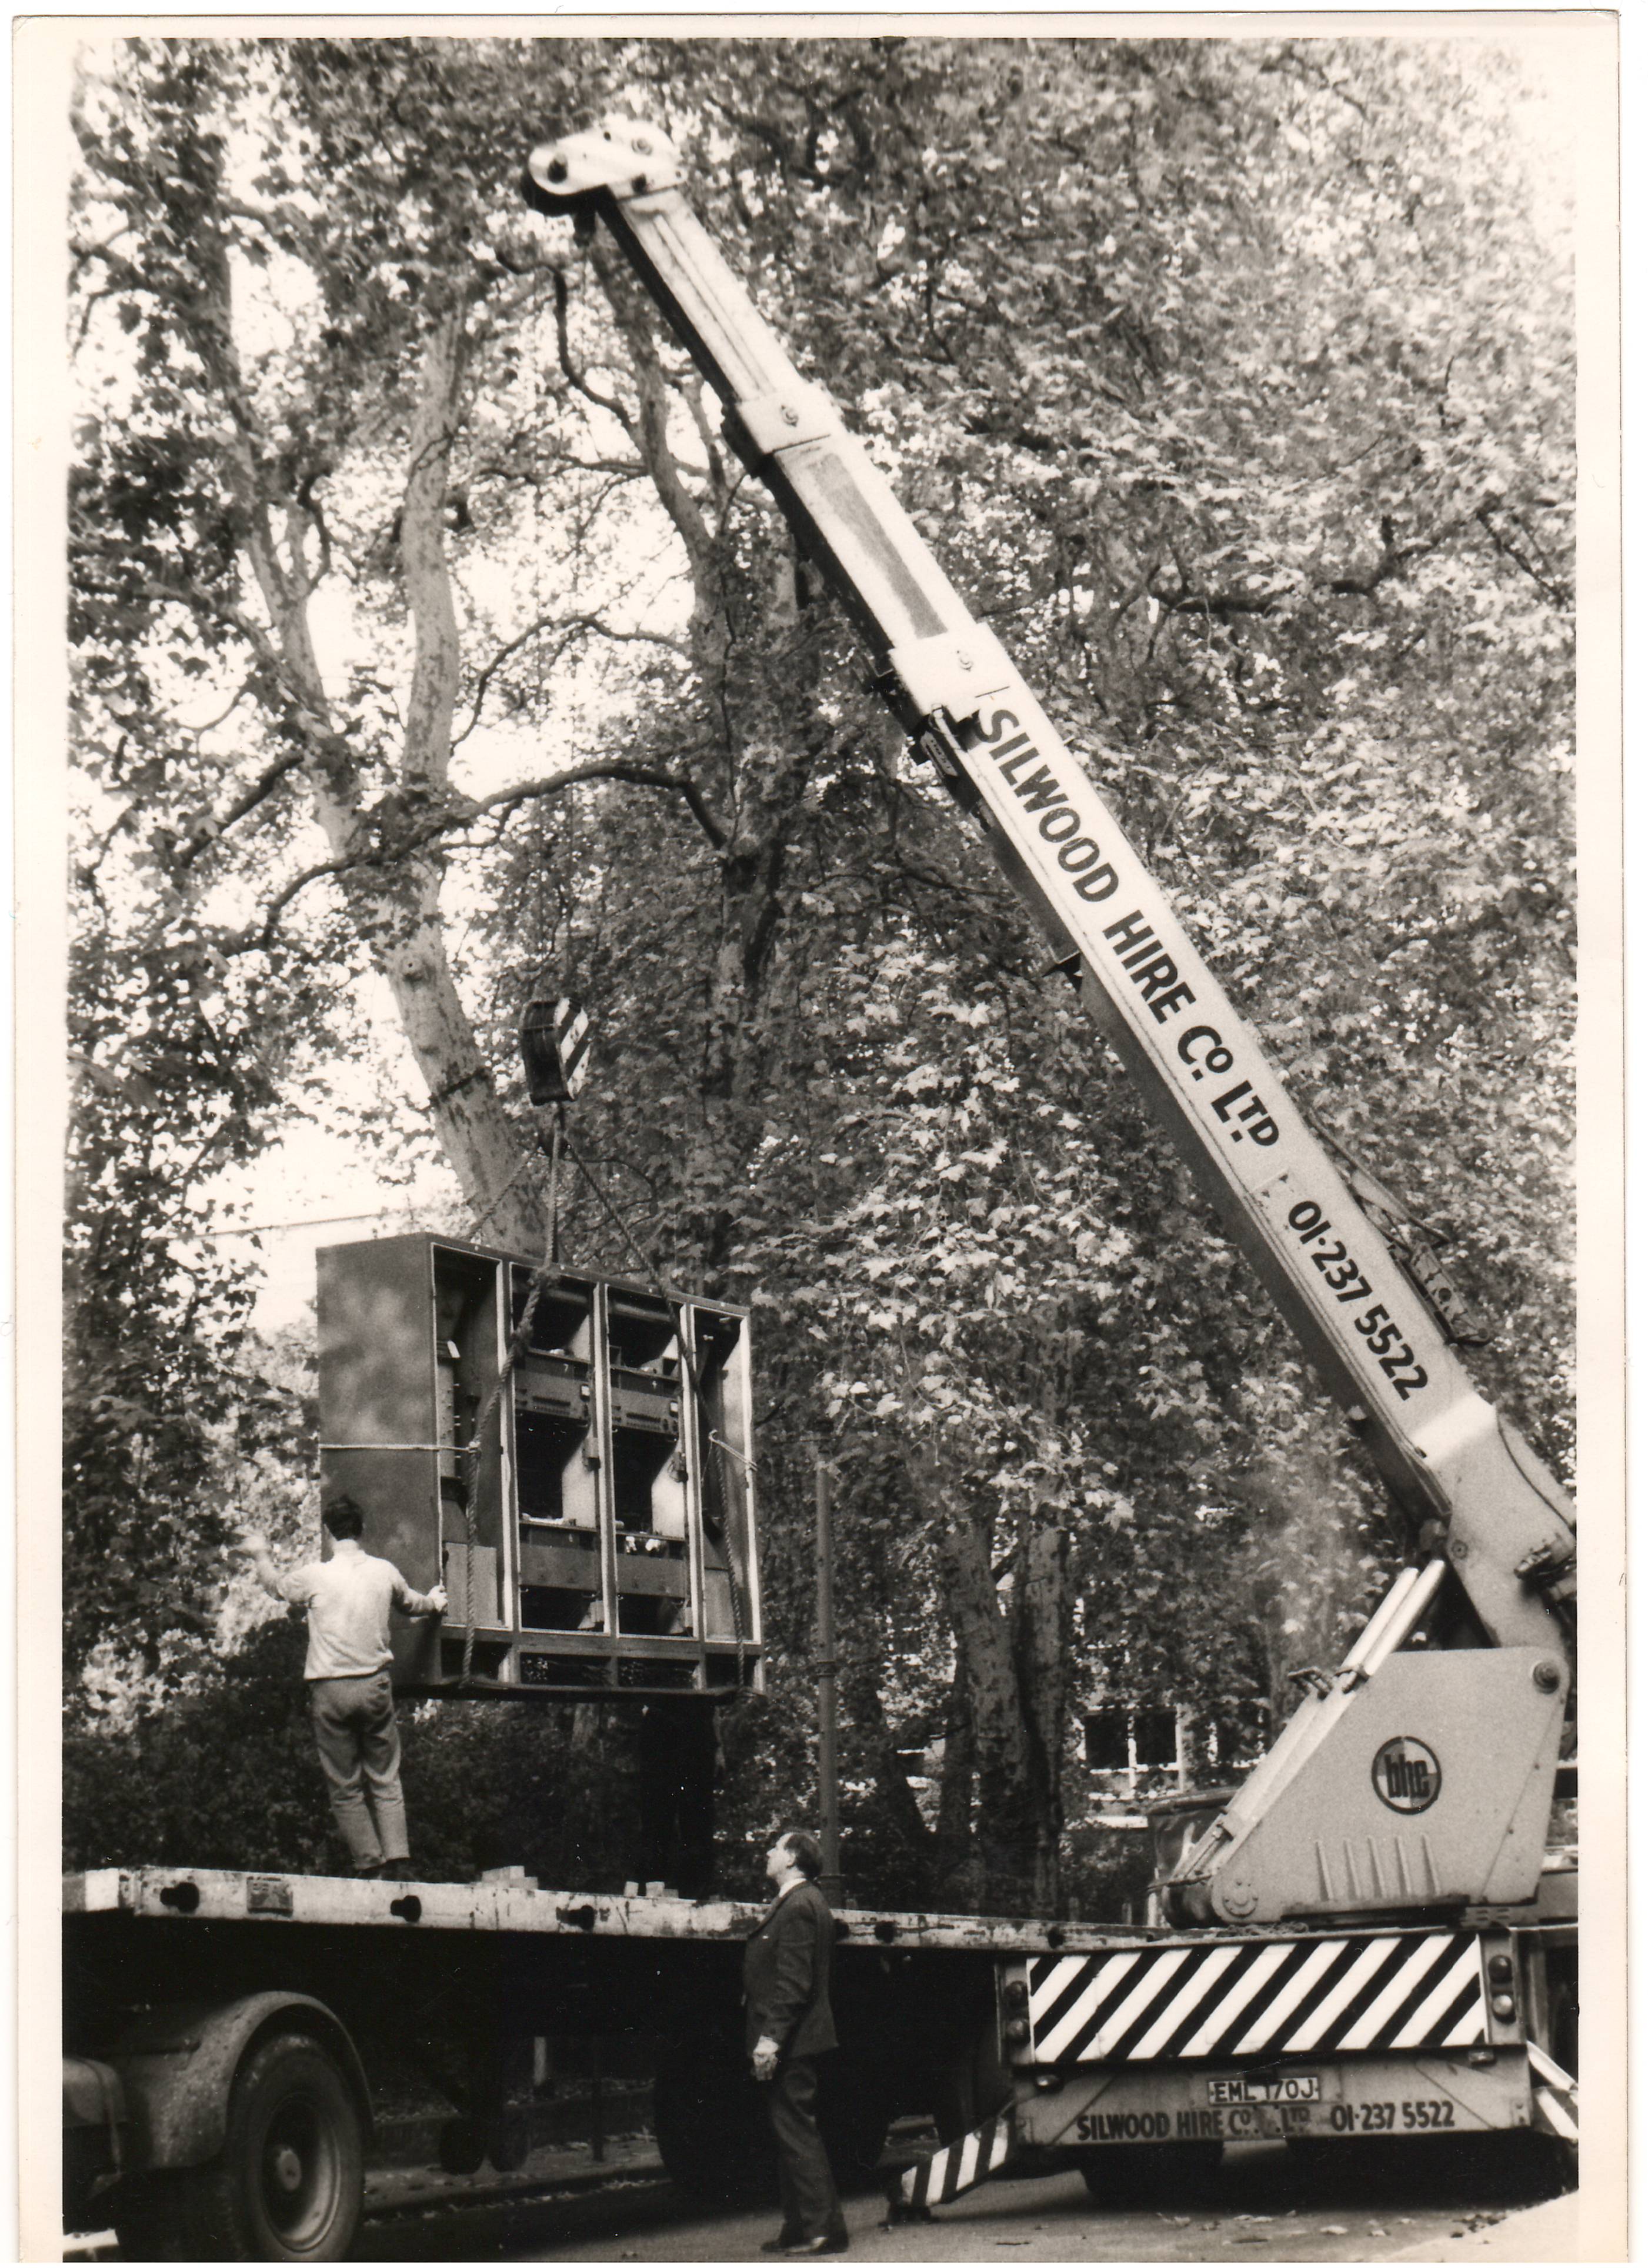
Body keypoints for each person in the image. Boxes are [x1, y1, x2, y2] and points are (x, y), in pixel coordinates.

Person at [241, 1496, 446, 1881]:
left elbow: (275, 1587)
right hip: (374, 1687)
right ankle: (398, 1861)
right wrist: (434, 1603)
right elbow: (413, 1604)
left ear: (327, 1532)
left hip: (330, 1691)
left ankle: (369, 1863)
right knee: (385, 1776)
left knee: (345, 1785)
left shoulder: (314, 1577)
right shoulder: (384, 1572)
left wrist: (260, 1554)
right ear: (361, 1529)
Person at [743, 1829, 848, 2257]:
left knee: (797, 2133)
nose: (768, 1853)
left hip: (793, 2041)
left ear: (791, 1859)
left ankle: (825, 2231)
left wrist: (770, 2039)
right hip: (796, 2039)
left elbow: (794, 1984)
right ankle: (800, 2226)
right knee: (789, 2132)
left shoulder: (800, 1905)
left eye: (775, 1848)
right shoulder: (801, 1902)